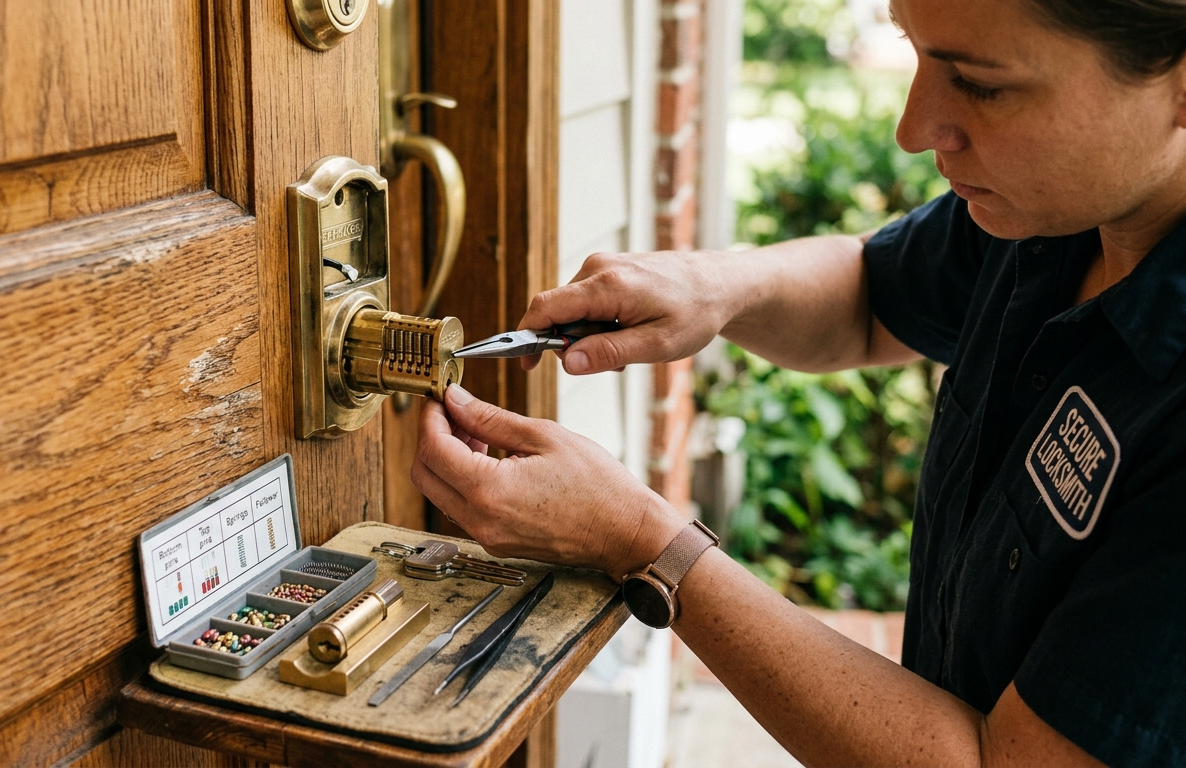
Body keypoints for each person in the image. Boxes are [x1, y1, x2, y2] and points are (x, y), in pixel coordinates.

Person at [411, 0, 1186, 765]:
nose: (915, 131)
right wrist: (712, 288)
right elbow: (870, 299)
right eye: (913, 51)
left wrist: (645, 546)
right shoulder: (1058, 209)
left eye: (980, 85)